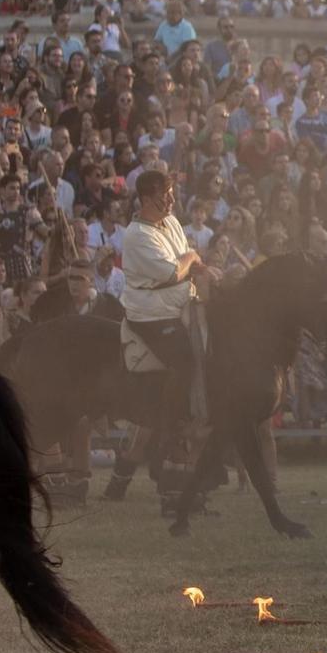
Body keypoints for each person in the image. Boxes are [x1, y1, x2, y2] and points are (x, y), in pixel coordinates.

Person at [119, 168, 216, 446]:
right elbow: (172, 272)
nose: (172, 201)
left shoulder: (171, 221)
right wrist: (192, 256)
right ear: (147, 199)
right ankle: (176, 423)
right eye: (166, 196)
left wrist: (202, 267)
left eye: (172, 195)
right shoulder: (136, 235)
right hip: (151, 312)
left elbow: (189, 263)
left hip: (180, 301)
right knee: (185, 359)